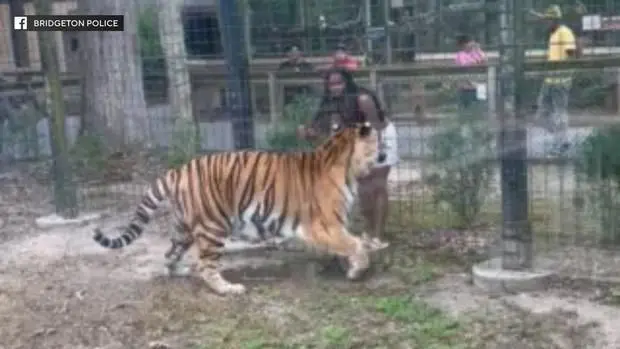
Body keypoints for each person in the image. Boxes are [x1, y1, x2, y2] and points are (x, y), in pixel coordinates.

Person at [297, 67, 398, 243]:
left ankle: (378, 235)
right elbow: (325, 135)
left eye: (339, 83)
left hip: (379, 133)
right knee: (364, 187)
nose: (335, 87)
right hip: (356, 138)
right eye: (331, 84)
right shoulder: (330, 103)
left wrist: (375, 151)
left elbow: (375, 125)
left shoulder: (362, 98)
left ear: (347, 82)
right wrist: (308, 133)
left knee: (377, 184)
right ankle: (369, 229)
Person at [533, 5, 578, 154]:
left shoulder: (565, 32)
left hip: (561, 79)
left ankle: (561, 144)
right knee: (541, 114)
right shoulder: (553, 34)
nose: (546, 23)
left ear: (554, 20)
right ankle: (563, 139)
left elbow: (571, 54)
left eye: (548, 20)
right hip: (550, 79)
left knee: (559, 112)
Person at [454, 35, 487, 110]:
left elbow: (484, 60)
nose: (472, 44)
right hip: (467, 85)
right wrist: (475, 63)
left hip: (479, 83)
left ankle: (482, 108)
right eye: (470, 42)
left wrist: (478, 50)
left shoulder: (475, 53)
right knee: (468, 107)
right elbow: (464, 66)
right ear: (464, 45)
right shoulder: (460, 55)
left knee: (482, 105)